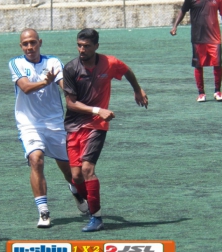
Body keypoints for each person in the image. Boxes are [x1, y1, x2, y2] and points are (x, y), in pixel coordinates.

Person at [63, 28, 148, 232]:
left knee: (87, 169)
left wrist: (137, 89)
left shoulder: (109, 63)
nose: (82, 50)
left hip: (97, 126)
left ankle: (96, 217)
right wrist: (97, 109)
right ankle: (79, 192)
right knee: (75, 176)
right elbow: (71, 103)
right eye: (79, 45)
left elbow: (126, 71)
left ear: (96, 47)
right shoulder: (71, 69)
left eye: (86, 46)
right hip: (74, 125)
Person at [8, 28, 88, 228]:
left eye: (33, 42)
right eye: (25, 44)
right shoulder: (15, 63)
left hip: (54, 123)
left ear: (40, 42)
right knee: (36, 160)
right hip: (29, 124)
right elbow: (25, 88)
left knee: (71, 173)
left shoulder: (52, 62)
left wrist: (77, 94)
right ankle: (44, 212)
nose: (29, 47)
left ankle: (75, 190)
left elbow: (63, 84)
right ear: (21, 46)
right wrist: (45, 81)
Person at [170, 0, 222, 102]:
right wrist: (175, 26)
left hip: (214, 37)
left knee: (218, 64)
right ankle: (201, 93)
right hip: (198, 37)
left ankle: (217, 91)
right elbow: (183, 10)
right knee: (198, 65)